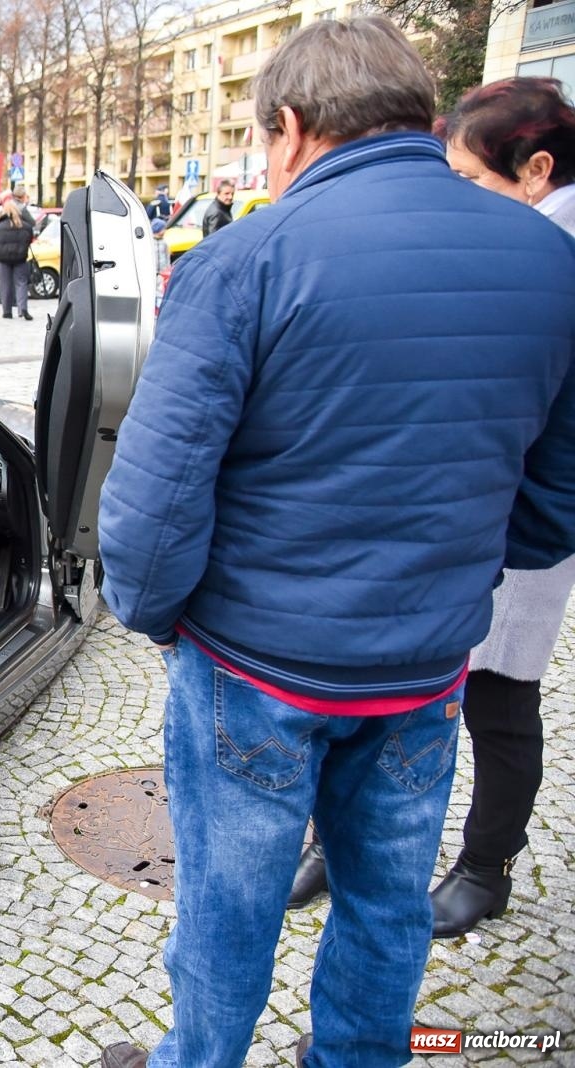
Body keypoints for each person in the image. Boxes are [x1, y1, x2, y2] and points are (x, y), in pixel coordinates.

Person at [93, 18, 575, 1068]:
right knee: (386, 900)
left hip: (257, 662)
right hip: (423, 664)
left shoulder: (245, 258)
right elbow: (556, 491)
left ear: (292, 125)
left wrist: (158, 617)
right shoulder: (547, 257)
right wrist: (457, 571)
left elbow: (152, 503)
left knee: (228, 904)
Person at [420, 77, 573, 938]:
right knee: (408, 693)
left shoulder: (559, 259)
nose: (459, 197)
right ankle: (346, 843)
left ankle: (487, 866)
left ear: (536, 170)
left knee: (500, 700)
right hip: (466, 522)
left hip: (516, 536)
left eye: (471, 179)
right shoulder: (514, 243)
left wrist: (512, 539)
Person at [0, 194, 35, 321]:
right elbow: (29, 239)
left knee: (5, 284)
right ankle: (22, 308)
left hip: (3, 258)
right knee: (21, 282)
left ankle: (7, 311)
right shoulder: (25, 226)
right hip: (21, 257)